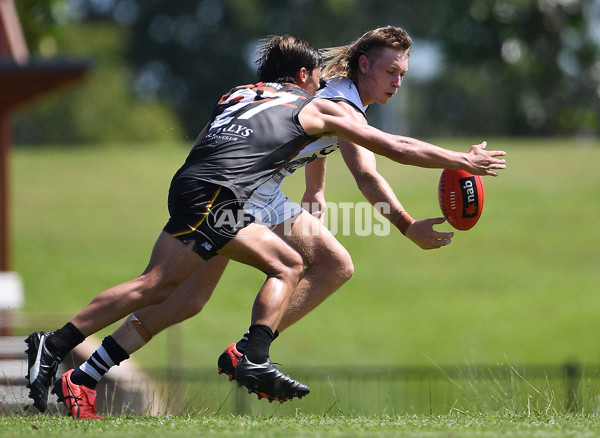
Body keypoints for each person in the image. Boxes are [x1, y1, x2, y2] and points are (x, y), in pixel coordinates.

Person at [26, 31, 506, 419]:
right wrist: (431, 194)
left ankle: (83, 377)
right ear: (358, 66)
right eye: (391, 71)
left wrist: (315, 189)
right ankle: (250, 351)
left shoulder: (272, 94)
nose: (398, 81)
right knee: (282, 268)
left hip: (227, 185)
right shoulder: (333, 102)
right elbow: (374, 163)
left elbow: (304, 141)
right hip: (239, 192)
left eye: (402, 73)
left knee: (188, 297)